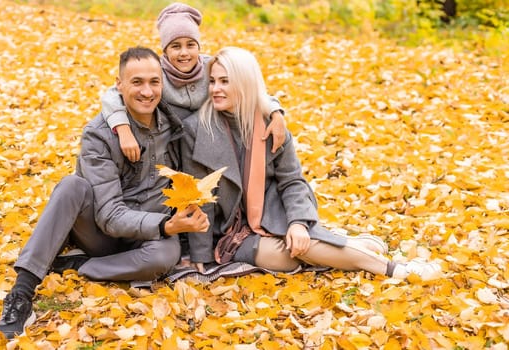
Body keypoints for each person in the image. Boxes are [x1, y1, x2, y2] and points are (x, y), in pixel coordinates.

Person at [0, 46, 210, 339]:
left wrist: (273, 109)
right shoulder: (99, 134)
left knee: (167, 253)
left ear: (163, 83)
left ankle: (79, 265)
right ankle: (21, 292)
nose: (147, 91)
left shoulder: (173, 126)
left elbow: (226, 84)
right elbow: (109, 215)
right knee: (72, 185)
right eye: (137, 82)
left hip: (146, 240)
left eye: (154, 82)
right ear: (118, 85)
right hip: (101, 231)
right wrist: (164, 225)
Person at [180, 46, 442, 281]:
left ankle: (396, 269)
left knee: (300, 245)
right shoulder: (198, 129)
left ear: (246, 83)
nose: (215, 89)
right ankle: (350, 244)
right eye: (212, 81)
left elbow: (292, 180)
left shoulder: (271, 124)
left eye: (225, 81)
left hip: (274, 213)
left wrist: (297, 223)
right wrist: (200, 253)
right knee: (284, 259)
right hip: (232, 231)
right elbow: (199, 197)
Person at [101, 2, 288, 164]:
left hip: (211, 144)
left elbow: (249, 86)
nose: (184, 53)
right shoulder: (156, 73)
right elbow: (113, 94)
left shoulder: (211, 66)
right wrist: (123, 129)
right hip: (169, 147)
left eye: (190, 45)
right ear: (165, 50)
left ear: (198, 46)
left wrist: (275, 113)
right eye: (176, 46)